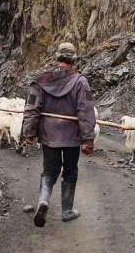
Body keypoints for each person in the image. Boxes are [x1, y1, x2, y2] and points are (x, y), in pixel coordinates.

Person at [20, 40, 96, 227]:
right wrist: (88, 139)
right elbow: (85, 111)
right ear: (74, 59)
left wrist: (27, 132)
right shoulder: (80, 82)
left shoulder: (39, 81)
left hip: (49, 135)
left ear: (57, 58)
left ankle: (43, 201)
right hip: (71, 137)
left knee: (49, 171)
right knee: (70, 172)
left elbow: (31, 108)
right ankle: (67, 211)